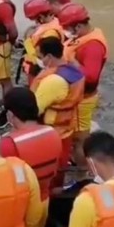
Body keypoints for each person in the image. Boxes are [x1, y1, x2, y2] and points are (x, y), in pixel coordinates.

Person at [0, 87, 62, 227]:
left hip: (19, 208)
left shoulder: (8, 143)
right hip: (44, 199)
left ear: (11, 115)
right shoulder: (53, 133)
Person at [59, 3, 109, 173]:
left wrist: (72, 62)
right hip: (76, 95)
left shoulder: (93, 46)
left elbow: (91, 77)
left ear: (79, 26)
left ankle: (83, 172)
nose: (67, 32)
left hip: (83, 98)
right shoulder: (81, 37)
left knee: (80, 138)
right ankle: (77, 162)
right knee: (74, 135)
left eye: (68, 28)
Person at [30, 37, 85, 187]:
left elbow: (34, 109)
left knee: (47, 175)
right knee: (59, 171)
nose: (38, 60)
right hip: (66, 130)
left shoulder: (53, 81)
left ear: (49, 57)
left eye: (40, 57)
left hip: (50, 133)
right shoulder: (74, 71)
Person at [21, 0, 64, 84]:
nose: (35, 22)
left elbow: (43, 57)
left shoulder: (50, 33)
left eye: (34, 19)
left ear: (40, 17)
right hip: (36, 67)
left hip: (39, 69)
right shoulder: (52, 23)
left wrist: (27, 43)